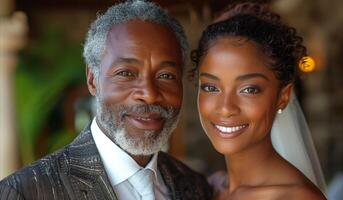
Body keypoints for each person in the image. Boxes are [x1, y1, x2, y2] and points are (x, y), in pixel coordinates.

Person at [0, 1, 212, 199]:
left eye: (166, 76)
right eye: (126, 73)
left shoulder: (195, 187)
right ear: (93, 80)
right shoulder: (25, 192)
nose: (148, 93)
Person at [191, 2, 326, 199]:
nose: (226, 108)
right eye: (211, 88)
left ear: (283, 97)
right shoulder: (210, 187)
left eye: (249, 89)